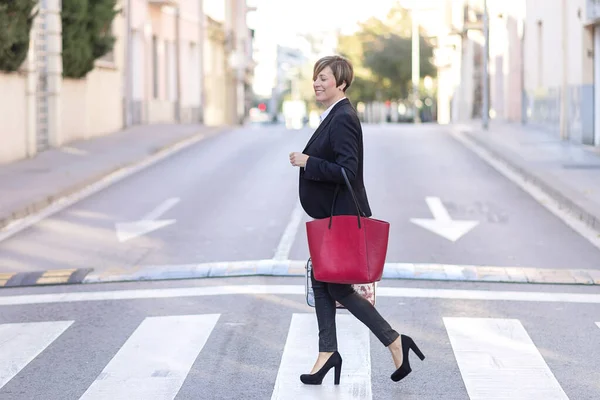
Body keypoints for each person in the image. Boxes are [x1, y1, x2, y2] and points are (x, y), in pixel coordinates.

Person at [289, 55, 425, 385]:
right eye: (316, 77)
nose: (317, 83)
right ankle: (333, 352)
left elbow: (348, 171)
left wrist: (309, 162)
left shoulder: (343, 118)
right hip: (334, 214)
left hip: (343, 215)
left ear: (342, 83)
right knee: (326, 281)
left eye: (324, 78)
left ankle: (387, 342)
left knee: (336, 286)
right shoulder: (334, 115)